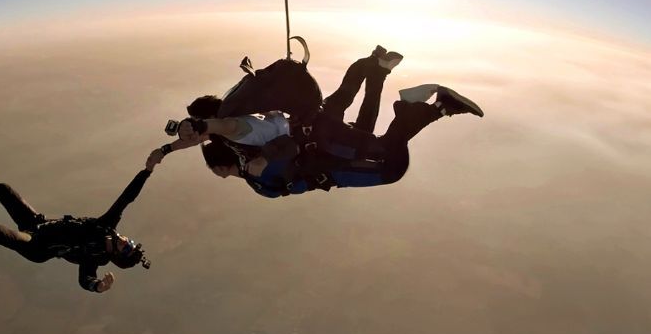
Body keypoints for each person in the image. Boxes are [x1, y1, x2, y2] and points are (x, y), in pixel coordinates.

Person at [145, 45, 405, 173]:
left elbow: (213, 128)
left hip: (315, 132)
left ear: (208, 118)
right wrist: (165, 150)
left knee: (374, 145)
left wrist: (199, 126)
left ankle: (410, 104)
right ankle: (373, 62)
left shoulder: (231, 125)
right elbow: (198, 137)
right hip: (312, 116)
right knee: (346, 95)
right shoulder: (235, 107)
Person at [198, 82, 483, 198]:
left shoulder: (254, 168)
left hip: (331, 164)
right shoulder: (249, 156)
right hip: (326, 157)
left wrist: (263, 158)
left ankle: (416, 107)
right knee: (386, 149)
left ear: (220, 168)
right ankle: (438, 108)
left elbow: (288, 149)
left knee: (391, 167)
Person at [0, 170, 152, 294]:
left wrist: (98, 287)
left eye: (127, 248)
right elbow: (127, 198)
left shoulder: (94, 256)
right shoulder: (107, 226)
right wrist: (148, 170)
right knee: (3, 189)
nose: (126, 241)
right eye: (131, 242)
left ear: (117, 255)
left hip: (37, 246)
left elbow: (85, 279)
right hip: (39, 224)